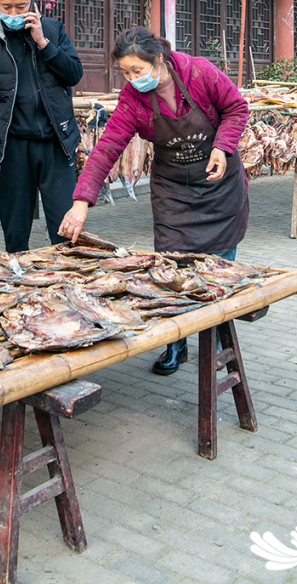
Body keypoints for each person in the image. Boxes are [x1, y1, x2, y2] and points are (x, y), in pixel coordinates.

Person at [59, 26, 249, 375]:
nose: (133, 79)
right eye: (126, 73)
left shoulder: (199, 72)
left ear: (159, 59)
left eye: (138, 70)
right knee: (169, 268)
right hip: (173, 191)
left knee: (219, 269)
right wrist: (81, 200)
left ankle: (220, 333)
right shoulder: (133, 98)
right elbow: (107, 147)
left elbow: (236, 108)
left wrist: (223, 147)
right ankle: (175, 342)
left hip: (218, 186)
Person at [0, 0, 83, 253]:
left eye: (21, 7)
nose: (14, 13)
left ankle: (65, 277)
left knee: (65, 231)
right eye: (7, 7)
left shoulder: (53, 30)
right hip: (13, 148)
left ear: (33, 1)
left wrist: (43, 42)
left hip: (56, 143)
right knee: (16, 233)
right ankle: (17, 278)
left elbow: (73, 74)